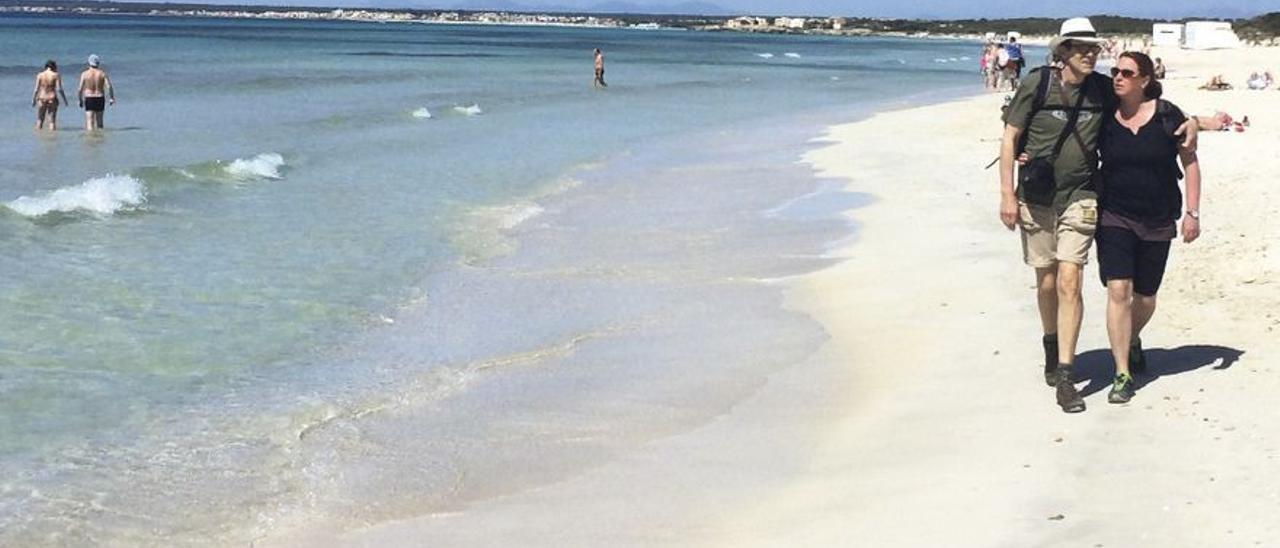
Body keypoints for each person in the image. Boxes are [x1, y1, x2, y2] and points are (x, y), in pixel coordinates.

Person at [998, 17, 1198, 413]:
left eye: (1094, 48)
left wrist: (1197, 122)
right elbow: (1009, 140)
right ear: (1063, 52)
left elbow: (1148, 106)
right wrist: (1007, 193)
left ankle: (1067, 376)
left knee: (1071, 279)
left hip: (1083, 195)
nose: (1092, 54)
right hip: (1036, 197)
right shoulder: (1036, 84)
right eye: (1082, 48)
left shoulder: (1103, 89)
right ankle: (1051, 342)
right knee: (1048, 281)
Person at [1095, 52, 1201, 403]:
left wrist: (1192, 213)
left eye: (1127, 72)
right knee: (1118, 290)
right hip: (1114, 215)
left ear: (1144, 80)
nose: (1118, 77)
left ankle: (1132, 336)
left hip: (1158, 218)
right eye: (1115, 71)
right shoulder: (1105, 115)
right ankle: (1122, 373)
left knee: (1146, 297)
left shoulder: (1168, 115)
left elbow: (1191, 164)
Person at [77, 54, 115, 131]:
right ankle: (100, 139)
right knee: (100, 122)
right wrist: (111, 98)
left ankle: (91, 140)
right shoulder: (102, 73)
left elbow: (80, 89)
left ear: (89, 62)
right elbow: (109, 86)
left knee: (89, 121)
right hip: (100, 97)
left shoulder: (84, 74)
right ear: (98, 63)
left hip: (89, 98)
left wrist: (80, 100)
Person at [31, 60, 69, 131]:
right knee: (52, 121)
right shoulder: (56, 75)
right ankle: (52, 138)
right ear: (54, 67)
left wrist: (33, 100)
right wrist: (65, 100)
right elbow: (59, 89)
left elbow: (36, 89)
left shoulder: (40, 75)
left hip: (41, 98)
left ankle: (38, 138)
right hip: (52, 98)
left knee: (40, 120)